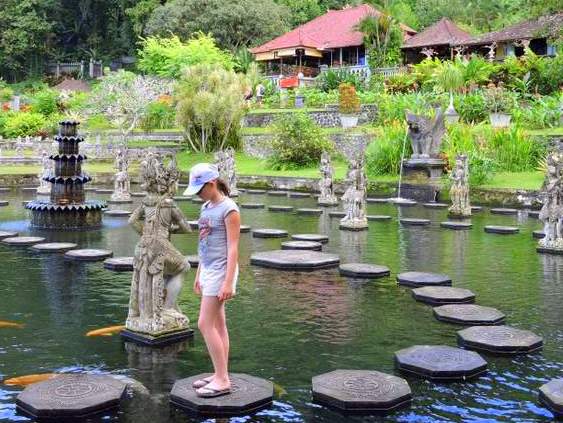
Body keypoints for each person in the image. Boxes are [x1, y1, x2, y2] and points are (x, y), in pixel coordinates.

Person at [183, 163, 241, 398]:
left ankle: (222, 380)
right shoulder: (206, 207)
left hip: (221, 271)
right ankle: (220, 372)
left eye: (200, 189)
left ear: (212, 183)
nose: (198, 195)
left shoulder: (229, 209)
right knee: (218, 325)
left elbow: (234, 248)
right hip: (208, 269)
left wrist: (228, 282)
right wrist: (198, 273)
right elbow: (203, 244)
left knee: (204, 324)